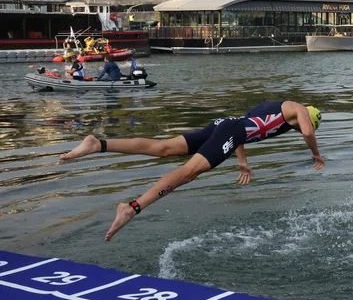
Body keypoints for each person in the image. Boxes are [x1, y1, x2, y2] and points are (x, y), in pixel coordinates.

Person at [59, 101, 324, 241]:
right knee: (188, 173)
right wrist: (315, 153)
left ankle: (99, 144)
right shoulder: (298, 108)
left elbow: (241, 128)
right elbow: (307, 132)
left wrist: (241, 161)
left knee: (163, 148)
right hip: (231, 130)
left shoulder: (275, 109)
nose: (299, 129)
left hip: (224, 125)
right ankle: (132, 208)